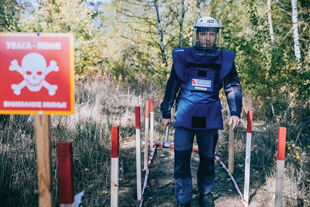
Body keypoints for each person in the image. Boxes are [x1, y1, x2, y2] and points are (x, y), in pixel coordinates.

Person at [160, 16, 243, 207]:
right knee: (181, 160)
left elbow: (232, 87)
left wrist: (235, 112)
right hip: (185, 115)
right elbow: (172, 85)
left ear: (216, 36)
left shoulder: (224, 58)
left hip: (210, 116)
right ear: (197, 34)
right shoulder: (183, 55)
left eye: (211, 34)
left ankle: (206, 194)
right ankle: (184, 199)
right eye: (203, 33)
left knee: (207, 159)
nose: (207, 38)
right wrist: (166, 113)